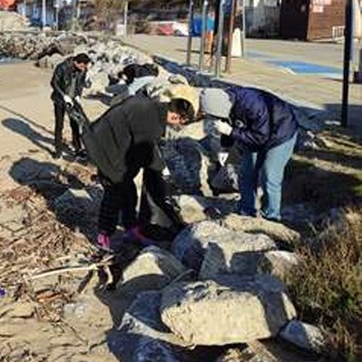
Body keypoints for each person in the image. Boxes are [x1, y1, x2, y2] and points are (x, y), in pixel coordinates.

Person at [81, 95, 195, 251]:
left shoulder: (152, 108)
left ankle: (131, 231)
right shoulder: (152, 123)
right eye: (180, 124)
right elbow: (145, 150)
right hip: (105, 149)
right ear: (176, 116)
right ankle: (104, 236)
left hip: (112, 144)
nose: (177, 127)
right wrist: (163, 169)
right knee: (113, 196)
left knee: (130, 194)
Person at [199, 86, 298, 222]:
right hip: (254, 132)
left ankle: (272, 216)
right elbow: (227, 123)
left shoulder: (252, 105)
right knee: (246, 173)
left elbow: (261, 137)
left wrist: (231, 132)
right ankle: (247, 210)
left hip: (280, 133)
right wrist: (225, 147)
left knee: (269, 175)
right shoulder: (223, 102)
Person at [50, 53, 91, 159]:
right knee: (59, 125)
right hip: (60, 100)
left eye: (85, 67)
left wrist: (78, 95)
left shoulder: (83, 69)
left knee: (75, 125)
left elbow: (80, 83)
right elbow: (54, 83)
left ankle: (78, 149)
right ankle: (58, 151)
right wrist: (64, 96)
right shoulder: (62, 67)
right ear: (75, 62)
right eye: (82, 66)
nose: (83, 69)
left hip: (73, 100)